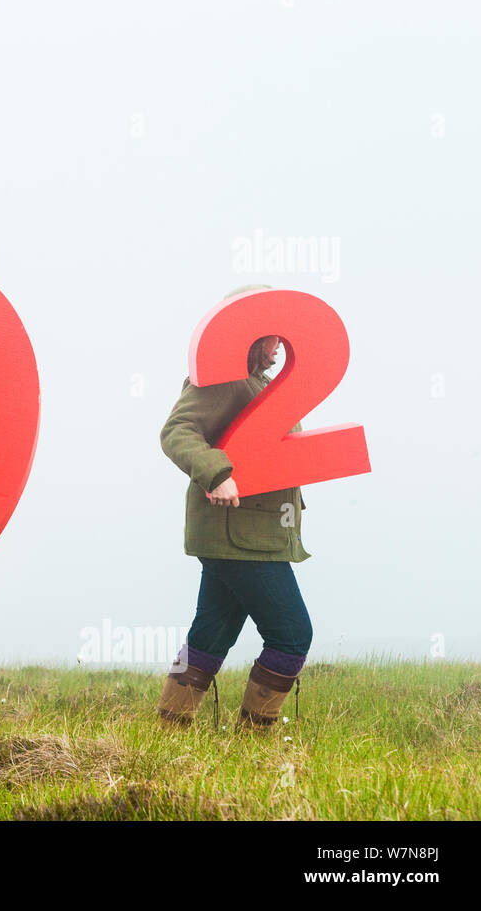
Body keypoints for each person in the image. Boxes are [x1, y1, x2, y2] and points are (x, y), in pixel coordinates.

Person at [157, 285, 311, 730]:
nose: (278, 348)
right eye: (272, 338)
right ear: (250, 332)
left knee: (211, 632)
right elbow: (177, 431)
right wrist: (217, 473)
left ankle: (169, 728)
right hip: (239, 535)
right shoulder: (222, 378)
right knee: (292, 633)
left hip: (247, 534)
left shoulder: (258, 384)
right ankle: (253, 736)